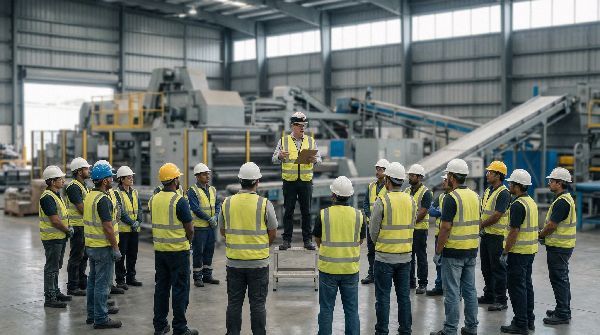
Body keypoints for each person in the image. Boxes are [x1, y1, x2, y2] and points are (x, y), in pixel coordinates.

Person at [221, 162, 277, 335]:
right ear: (257, 182)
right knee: (258, 305)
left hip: (234, 263)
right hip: (258, 264)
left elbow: (223, 231)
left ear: (240, 180)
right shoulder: (264, 204)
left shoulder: (227, 203)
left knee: (234, 304)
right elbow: (273, 232)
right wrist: (259, 246)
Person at [431, 158, 480, 335]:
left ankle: (450, 329)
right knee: (470, 291)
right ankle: (471, 327)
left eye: (448, 175)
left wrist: (438, 251)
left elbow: (445, 227)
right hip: (471, 250)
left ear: (452, 177)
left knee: (451, 292)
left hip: (453, 252)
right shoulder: (475, 196)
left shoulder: (452, 198)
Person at [314, 176, 366, 335]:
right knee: (351, 310)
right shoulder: (359, 215)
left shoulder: (323, 215)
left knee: (326, 310)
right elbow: (361, 240)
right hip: (350, 270)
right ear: (350, 196)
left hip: (328, 270)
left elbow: (317, 239)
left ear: (333, 195)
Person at [151, 163, 198, 335]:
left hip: (160, 252)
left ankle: (160, 326)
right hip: (178, 252)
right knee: (180, 290)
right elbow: (190, 229)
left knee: (161, 289)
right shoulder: (179, 201)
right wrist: (189, 242)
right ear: (175, 180)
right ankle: (180, 328)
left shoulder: (154, 198)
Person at [370, 162, 415, 335]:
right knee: (404, 298)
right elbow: (411, 225)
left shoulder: (382, 200)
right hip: (405, 258)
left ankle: (382, 331)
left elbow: (373, 231)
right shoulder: (411, 200)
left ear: (387, 180)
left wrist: (381, 244)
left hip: (384, 258)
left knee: (383, 298)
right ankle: (405, 330)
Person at [272, 111, 322, 250]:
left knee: (307, 212)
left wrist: (315, 160)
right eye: (299, 125)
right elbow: (273, 159)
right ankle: (286, 240)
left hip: (305, 182)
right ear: (292, 126)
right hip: (290, 182)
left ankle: (307, 240)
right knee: (288, 211)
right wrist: (280, 156)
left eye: (304, 125)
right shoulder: (283, 141)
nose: (302, 128)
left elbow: (320, 158)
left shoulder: (310, 141)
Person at [84, 162, 122, 328]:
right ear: (104, 180)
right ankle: (100, 318)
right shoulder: (103, 199)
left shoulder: (90, 196)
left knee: (93, 282)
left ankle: (92, 314)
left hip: (91, 245)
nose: (112, 179)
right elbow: (107, 226)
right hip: (103, 247)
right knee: (102, 284)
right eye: (110, 177)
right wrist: (115, 247)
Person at [500, 169, 538, 334]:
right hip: (530, 251)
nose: (509, 185)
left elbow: (514, 232)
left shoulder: (517, 205)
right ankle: (529, 320)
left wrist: (505, 252)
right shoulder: (531, 202)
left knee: (517, 288)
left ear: (518, 185)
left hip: (518, 252)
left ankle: (520, 323)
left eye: (512, 183)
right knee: (526, 286)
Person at [539, 167, 576, 326]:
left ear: (560, 183)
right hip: (562, 246)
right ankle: (563, 308)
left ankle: (563, 313)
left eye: (551, 181)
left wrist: (540, 234)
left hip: (559, 247)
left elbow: (552, 225)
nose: (549, 183)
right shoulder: (565, 198)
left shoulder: (562, 202)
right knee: (562, 278)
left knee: (559, 279)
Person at [478, 161, 510, 311]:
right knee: (486, 267)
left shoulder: (503, 193)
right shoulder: (488, 190)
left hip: (497, 236)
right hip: (486, 235)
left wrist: (481, 225)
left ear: (498, 175)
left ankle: (501, 299)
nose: (487, 174)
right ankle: (489, 294)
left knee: (497, 269)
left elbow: (497, 215)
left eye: (490, 172)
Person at [40, 165, 73, 308]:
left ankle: (56, 291)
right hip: (52, 238)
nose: (63, 180)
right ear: (52, 181)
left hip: (59, 237)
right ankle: (50, 297)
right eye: (60, 178)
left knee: (56, 266)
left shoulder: (56, 195)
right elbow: (54, 220)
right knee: (51, 268)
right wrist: (67, 230)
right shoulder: (47, 198)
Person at [187, 163, 220, 287]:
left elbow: (217, 204)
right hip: (200, 227)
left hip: (211, 227)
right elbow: (195, 209)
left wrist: (216, 216)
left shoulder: (212, 189)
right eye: (205, 174)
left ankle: (207, 276)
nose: (207, 176)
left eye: (208, 174)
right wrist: (209, 218)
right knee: (198, 253)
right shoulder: (192, 191)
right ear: (197, 176)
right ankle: (197, 278)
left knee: (209, 251)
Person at [404, 163, 432, 294]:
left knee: (420, 256)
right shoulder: (406, 191)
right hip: (409, 229)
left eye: (412, 175)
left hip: (420, 229)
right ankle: (410, 281)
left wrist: (409, 222)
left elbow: (423, 212)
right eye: (409, 175)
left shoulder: (426, 193)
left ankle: (422, 283)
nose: (410, 177)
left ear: (419, 177)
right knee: (409, 256)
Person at [113, 166, 143, 290]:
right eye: (128, 177)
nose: (131, 179)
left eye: (132, 177)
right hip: (123, 230)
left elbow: (140, 209)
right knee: (121, 256)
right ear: (121, 179)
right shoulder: (116, 193)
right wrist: (132, 222)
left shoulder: (134, 192)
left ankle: (131, 278)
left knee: (133, 255)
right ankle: (120, 280)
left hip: (134, 230)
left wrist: (138, 221)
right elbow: (121, 211)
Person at [65, 157, 91, 296]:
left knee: (84, 256)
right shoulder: (73, 187)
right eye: (86, 168)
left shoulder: (83, 186)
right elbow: (81, 208)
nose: (88, 170)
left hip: (84, 226)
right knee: (76, 256)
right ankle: (72, 286)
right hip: (77, 227)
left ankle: (82, 283)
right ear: (79, 171)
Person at [361, 158, 389, 285]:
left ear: (386, 172)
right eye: (377, 169)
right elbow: (366, 202)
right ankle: (371, 274)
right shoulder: (371, 186)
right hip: (370, 224)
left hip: (383, 225)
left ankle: (381, 275)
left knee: (382, 250)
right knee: (371, 251)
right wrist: (369, 216)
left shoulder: (389, 187)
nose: (377, 172)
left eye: (380, 169)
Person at [426, 174, 450, 296]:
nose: (443, 183)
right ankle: (439, 286)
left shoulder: (454, 197)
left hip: (450, 236)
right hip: (438, 235)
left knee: (451, 265)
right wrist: (439, 212)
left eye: (445, 180)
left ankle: (452, 289)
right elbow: (430, 210)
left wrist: (441, 212)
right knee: (439, 263)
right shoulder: (441, 196)